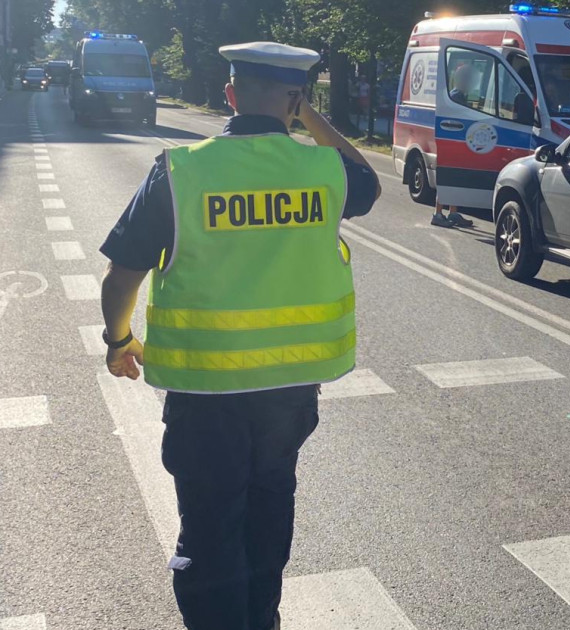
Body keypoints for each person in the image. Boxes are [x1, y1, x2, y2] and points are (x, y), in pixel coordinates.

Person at [98, 41, 380, 630]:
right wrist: (308, 117)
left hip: (205, 398)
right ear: (296, 101)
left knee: (209, 530)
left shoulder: (182, 171)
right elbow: (366, 178)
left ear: (229, 95)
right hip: (288, 394)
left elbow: (123, 274)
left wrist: (119, 340)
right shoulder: (323, 169)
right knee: (267, 516)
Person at [433, 63, 476, 229]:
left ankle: (452, 212)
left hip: (455, 143)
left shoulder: (458, 95)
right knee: (448, 179)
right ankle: (438, 214)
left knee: (454, 179)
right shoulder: (456, 96)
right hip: (452, 144)